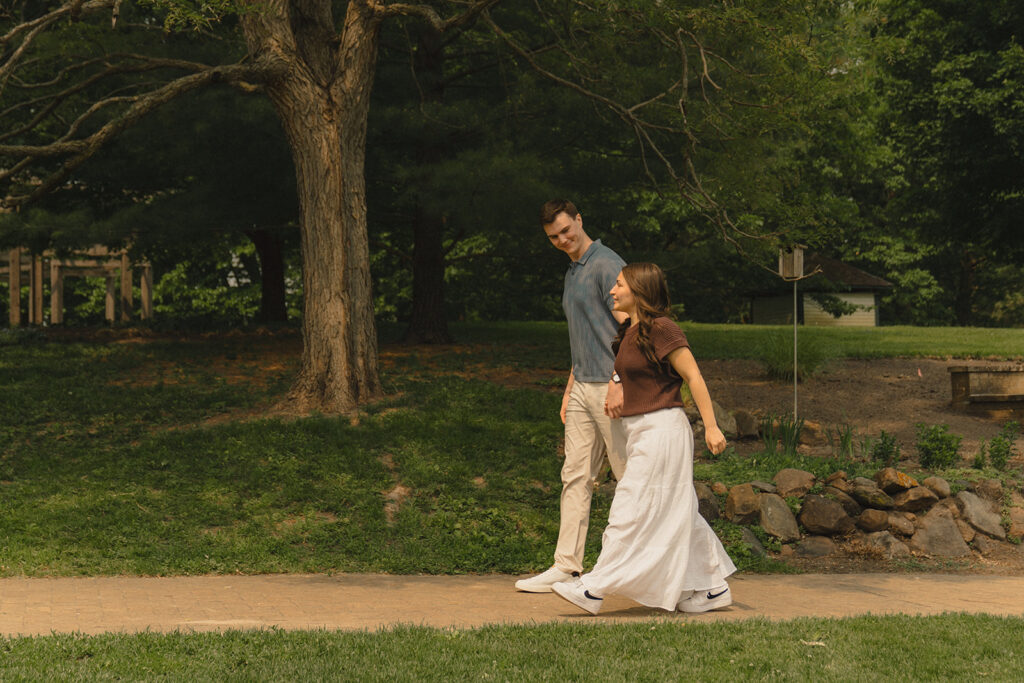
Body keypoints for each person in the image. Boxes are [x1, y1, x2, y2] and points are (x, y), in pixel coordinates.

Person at [551, 262, 736, 615]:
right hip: (640, 432)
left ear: (638, 291)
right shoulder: (629, 333)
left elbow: (693, 376)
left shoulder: (663, 329)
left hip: (663, 429)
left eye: (619, 285)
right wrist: (617, 387)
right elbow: (634, 372)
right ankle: (713, 588)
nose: (612, 290)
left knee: (630, 505)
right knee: (677, 509)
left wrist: (711, 426)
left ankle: (594, 588)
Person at [514, 200, 629, 593]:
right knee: (575, 475)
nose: (562, 240)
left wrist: (618, 379)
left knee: (630, 477)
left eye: (566, 230)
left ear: (580, 220)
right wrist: (570, 388)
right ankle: (567, 567)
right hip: (583, 385)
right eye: (553, 237)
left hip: (611, 386)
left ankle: (642, 565)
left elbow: (631, 328)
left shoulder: (606, 263)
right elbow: (584, 336)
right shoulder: (573, 270)